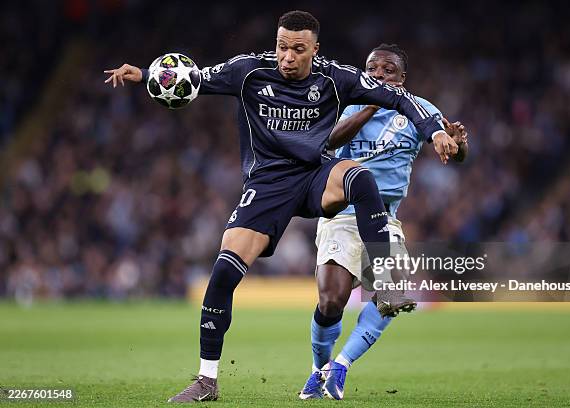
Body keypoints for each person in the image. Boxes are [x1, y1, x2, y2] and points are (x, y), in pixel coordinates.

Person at [104, 10, 458, 402]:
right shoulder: (248, 71)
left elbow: (399, 97)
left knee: (358, 176)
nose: (287, 57)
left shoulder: (334, 77)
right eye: (282, 47)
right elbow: (196, 78)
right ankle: (206, 380)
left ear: (315, 49)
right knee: (223, 273)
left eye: (298, 49)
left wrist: (435, 132)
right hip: (268, 185)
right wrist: (144, 74)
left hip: (314, 176)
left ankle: (385, 281)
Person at [298, 43, 468, 400]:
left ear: (402, 77)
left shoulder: (420, 109)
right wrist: (372, 104)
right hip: (342, 214)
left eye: (388, 70)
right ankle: (318, 370)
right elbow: (327, 142)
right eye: (372, 69)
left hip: (384, 218)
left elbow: (452, 147)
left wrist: (457, 143)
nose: (378, 75)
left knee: (394, 291)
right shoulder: (349, 105)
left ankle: (341, 366)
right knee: (331, 301)